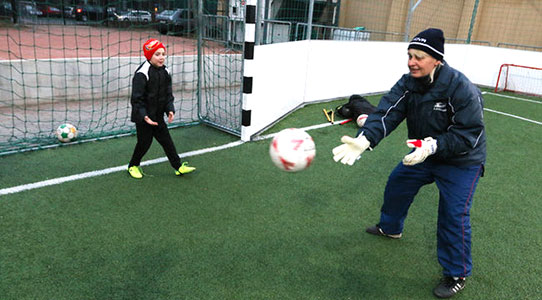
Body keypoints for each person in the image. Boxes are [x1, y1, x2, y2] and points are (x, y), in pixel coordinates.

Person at [332, 28, 486, 298]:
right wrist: (366, 139)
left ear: (436, 59)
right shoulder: (408, 83)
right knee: (397, 185)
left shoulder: (460, 87)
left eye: (419, 57)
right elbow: (387, 111)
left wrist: (433, 145)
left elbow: (469, 133)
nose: (411, 62)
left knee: (453, 214)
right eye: (410, 55)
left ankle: (456, 273)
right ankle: (391, 228)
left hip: (462, 160)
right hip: (421, 154)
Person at [127, 38, 196, 179]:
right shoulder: (142, 73)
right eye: (157, 54)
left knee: (167, 141)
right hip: (144, 118)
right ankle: (133, 165)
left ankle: (178, 167)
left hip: (158, 116)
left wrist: (170, 109)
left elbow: (167, 94)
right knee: (144, 143)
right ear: (149, 56)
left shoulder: (166, 72)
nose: (161, 57)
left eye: (163, 54)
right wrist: (144, 116)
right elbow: (136, 99)